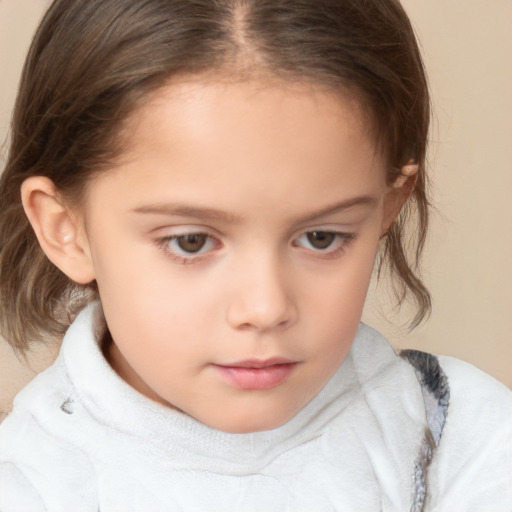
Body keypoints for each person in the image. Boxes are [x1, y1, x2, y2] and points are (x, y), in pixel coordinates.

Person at [0, 0, 510, 510]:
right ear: (66, 229)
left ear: (386, 208)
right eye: (191, 242)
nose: (265, 308)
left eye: (321, 237)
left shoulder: (461, 441)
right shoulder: (27, 484)